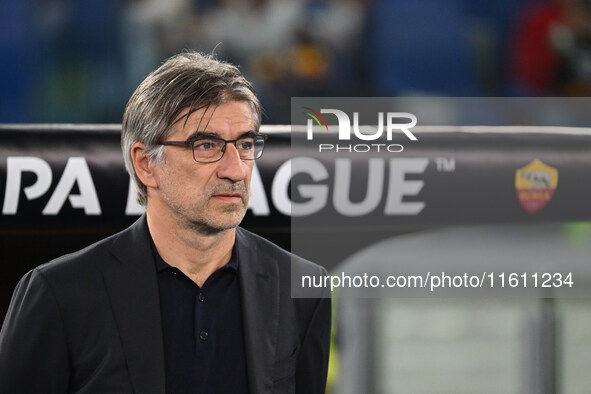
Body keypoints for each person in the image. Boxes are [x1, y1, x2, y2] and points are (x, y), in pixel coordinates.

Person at [0, 51, 331, 393]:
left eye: (245, 144)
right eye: (206, 145)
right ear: (146, 165)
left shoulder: (302, 289)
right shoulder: (58, 293)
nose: (236, 170)